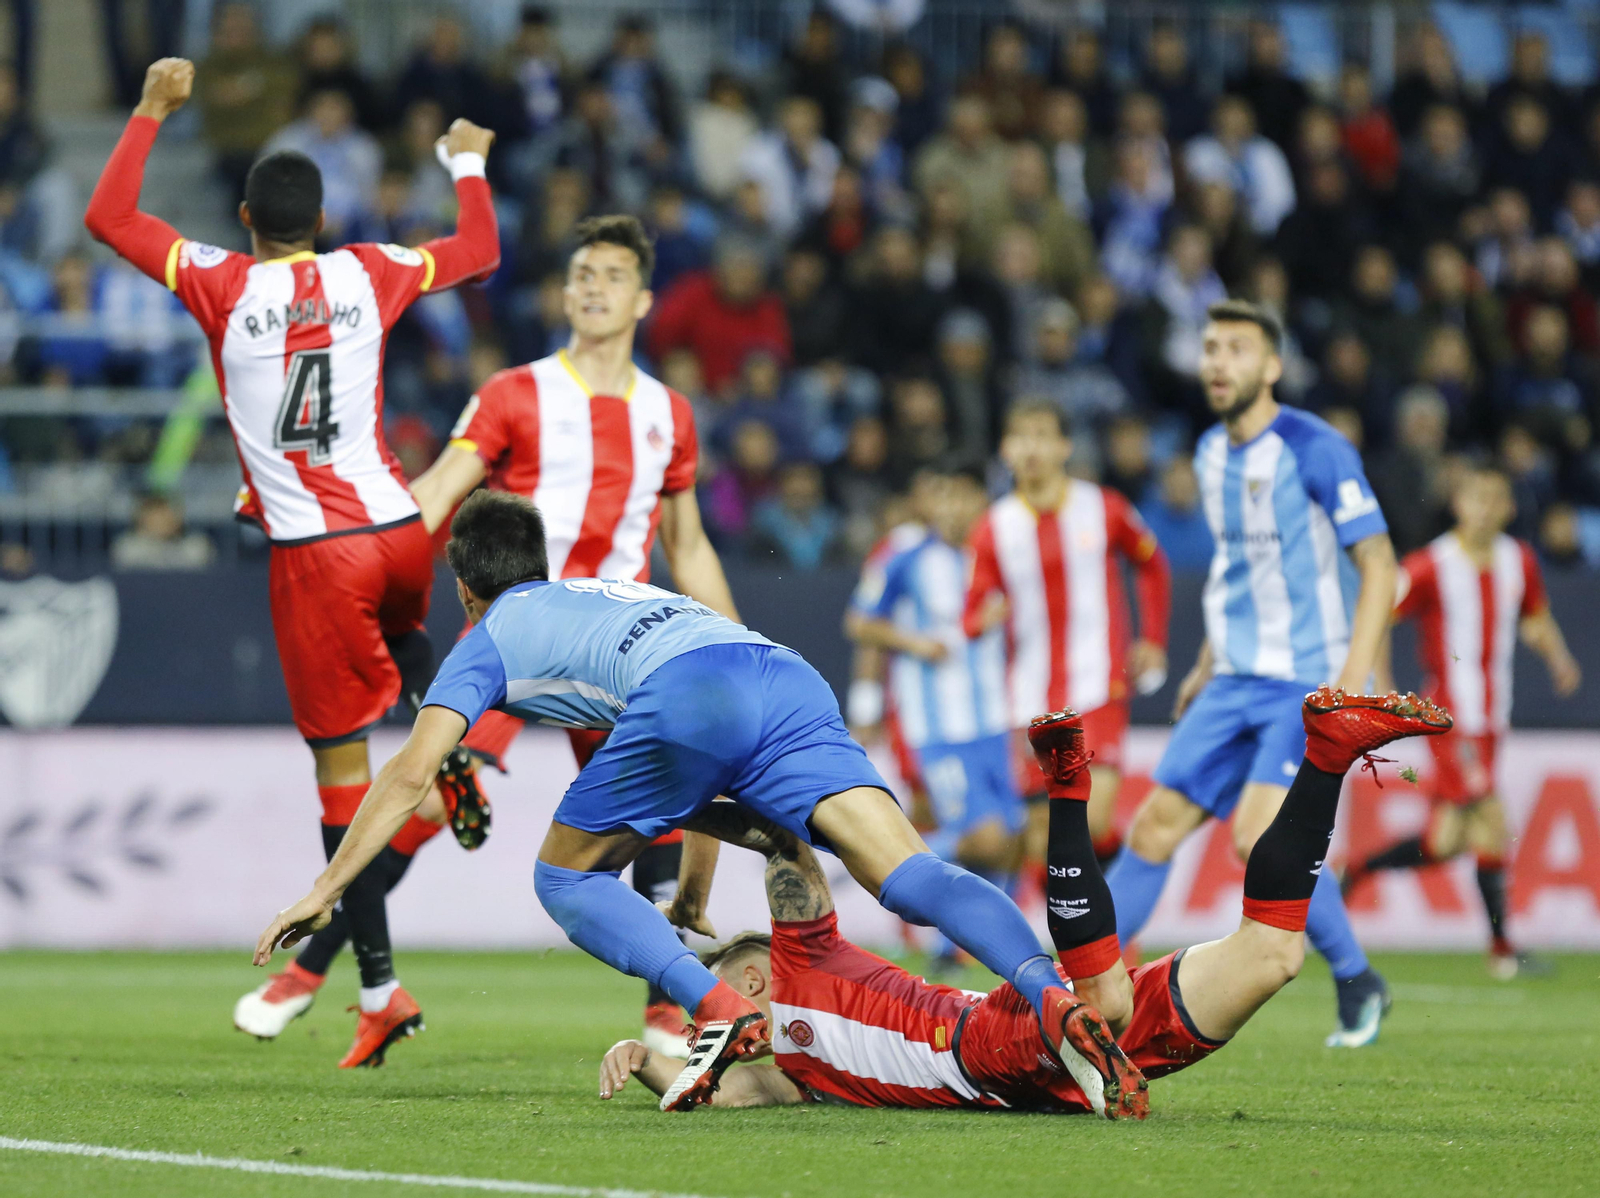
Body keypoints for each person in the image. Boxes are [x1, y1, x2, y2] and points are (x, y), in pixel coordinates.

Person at [255, 491, 1105, 1116]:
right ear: (541, 562)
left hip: (690, 697)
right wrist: (693, 890)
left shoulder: (489, 639)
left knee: (563, 877)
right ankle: (1048, 989)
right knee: (909, 871)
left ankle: (715, 1006)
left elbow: (409, 774)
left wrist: (324, 891)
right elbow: (702, 764)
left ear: (464, 589)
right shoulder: (605, 592)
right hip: (778, 669)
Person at [85, 59, 500, 1068]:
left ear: (243, 217)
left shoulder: (221, 282)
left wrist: (149, 112)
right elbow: (481, 248)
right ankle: (442, 731)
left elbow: (108, 216)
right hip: (402, 530)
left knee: (341, 786)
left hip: (316, 554)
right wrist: (469, 165)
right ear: (325, 217)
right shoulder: (371, 269)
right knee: (398, 635)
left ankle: (379, 988)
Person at [598, 691, 1452, 1114]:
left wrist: (674, 807)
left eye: (724, 979)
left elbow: (784, 846)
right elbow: (718, 1093)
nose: (716, 996)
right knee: (1273, 957)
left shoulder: (802, 958)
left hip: (981, 1044)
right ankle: (1329, 754)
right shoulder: (786, 1070)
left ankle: (1066, 792)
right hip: (1049, 1076)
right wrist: (644, 1059)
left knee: (1103, 998)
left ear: (751, 973)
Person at [407, 214, 742, 1057]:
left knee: (663, 816)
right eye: (581, 272)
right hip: (526, 627)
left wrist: (735, 641)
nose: (593, 286)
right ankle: (359, 956)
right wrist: (363, 541)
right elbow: (440, 491)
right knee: (434, 780)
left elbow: (688, 542)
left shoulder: (669, 413)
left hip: (620, 645)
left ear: (643, 297)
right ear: (562, 293)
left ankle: (669, 1020)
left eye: (612, 273)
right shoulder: (514, 391)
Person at [1104, 300, 1399, 1048]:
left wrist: (1350, 684)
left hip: (1299, 680)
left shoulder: (1314, 446)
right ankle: (1077, 984)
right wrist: (1205, 661)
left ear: (1271, 366)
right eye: (1209, 348)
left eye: (1236, 348)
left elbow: (1379, 564)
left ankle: (1358, 977)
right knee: (1154, 825)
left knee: (1256, 835)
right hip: (1232, 678)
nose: (1217, 362)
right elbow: (1239, 570)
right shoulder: (1208, 452)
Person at [1345, 466, 1580, 977]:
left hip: (1493, 719)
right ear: (1459, 503)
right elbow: (1378, 608)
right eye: (1477, 498)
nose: (1487, 508)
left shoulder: (1519, 560)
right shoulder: (1432, 564)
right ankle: (1503, 954)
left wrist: (1557, 655)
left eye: (1497, 499)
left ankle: (1356, 870)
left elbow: (1534, 615)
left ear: (1510, 508)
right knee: (1494, 825)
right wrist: (1381, 682)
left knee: (1447, 841)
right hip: (1450, 721)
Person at [964, 401, 1170, 877]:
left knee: (1092, 821)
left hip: (1098, 687)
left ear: (1064, 446)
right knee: (1043, 837)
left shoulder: (1104, 507)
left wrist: (1153, 639)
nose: (1031, 447)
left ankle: (1126, 896)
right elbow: (968, 618)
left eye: (1042, 435)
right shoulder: (992, 528)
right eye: (1021, 436)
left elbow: (1152, 565)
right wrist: (983, 619)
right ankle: (1085, 943)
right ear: (1005, 449)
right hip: (1029, 700)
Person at [848, 467, 1017, 970]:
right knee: (982, 836)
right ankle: (881, 855)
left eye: (964, 496)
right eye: (944, 495)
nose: (952, 508)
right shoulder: (905, 555)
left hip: (996, 722)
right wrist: (914, 645)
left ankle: (952, 947)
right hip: (937, 727)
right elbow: (858, 621)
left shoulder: (1000, 554)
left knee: (1013, 839)